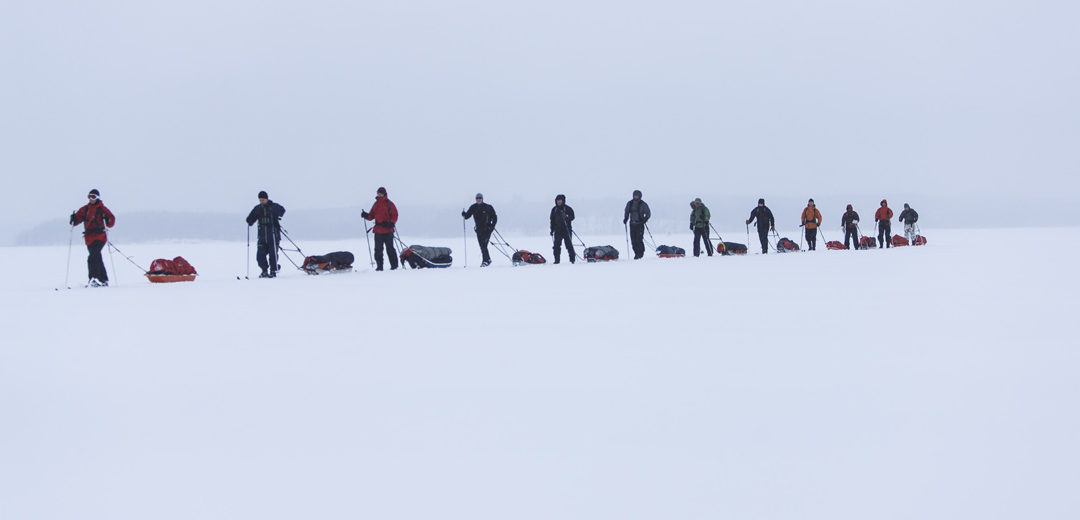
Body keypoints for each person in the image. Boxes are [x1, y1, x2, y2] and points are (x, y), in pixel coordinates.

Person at [69, 189, 116, 287]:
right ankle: (103, 279)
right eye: (89, 196)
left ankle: (94, 278)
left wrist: (107, 219)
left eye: (93, 197)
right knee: (96, 256)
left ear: (97, 198)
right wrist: (73, 219)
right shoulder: (85, 209)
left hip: (100, 237)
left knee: (93, 256)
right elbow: (76, 220)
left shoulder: (103, 209)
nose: (91, 199)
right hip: (89, 238)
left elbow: (111, 220)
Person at [245, 190, 286, 278]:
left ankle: (273, 270)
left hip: (273, 235)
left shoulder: (274, 206)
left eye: (263, 200)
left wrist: (277, 215)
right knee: (260, 255)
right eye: (260, 200)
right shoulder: (257, 208)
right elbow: (251, 218)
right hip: (262, 235)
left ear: (266, 199)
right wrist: (249, 220)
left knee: (273, 254)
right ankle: (264, 270)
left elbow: (282, 210)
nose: (261, 201)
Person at [362, 187, 399, 271]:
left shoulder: (390, 203)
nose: (379, 194)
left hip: (388, 231)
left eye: (380, 193)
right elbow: (371, 216)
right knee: (378, 250)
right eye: (378, 193)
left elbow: (395, 215)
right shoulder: (376, 204)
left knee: (390, 249)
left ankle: (394, 266)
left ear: (384, 193)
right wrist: (365, 215)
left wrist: (391, 223)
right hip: (378, 231)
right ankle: (379, 267)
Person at [462, 193, 498, 267]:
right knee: (482, 246)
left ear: (482, 199)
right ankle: (487, 260)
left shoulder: (488, 207)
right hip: (479, 230)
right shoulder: (473, 207)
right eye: (477, 198)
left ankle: (486, 261)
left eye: (480, 198)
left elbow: (494, 217)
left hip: (487, 230)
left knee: (484, 245)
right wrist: (464, 214)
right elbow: (467, 216)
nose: (478, 199)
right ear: (475, 199)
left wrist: (491, 227)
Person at [622, 189, 651, 259]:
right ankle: (636, 253)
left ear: (640, 196)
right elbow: (626, 212)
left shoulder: (643, 204)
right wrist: (625, 219)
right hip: (632, 224)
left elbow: (648, 213)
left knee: (639, 240)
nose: (636, 197)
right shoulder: (630, 203)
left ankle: (640, 253)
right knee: (633, 241)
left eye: (637, 196)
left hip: (640, 224)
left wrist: (644, 220)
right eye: (635, 195)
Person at [549, 194, 576, 264]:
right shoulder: (554, 210)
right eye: (557, 200)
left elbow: (572, 217)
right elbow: (552, 221)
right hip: (557, 231)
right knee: (556, 246)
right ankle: (557, 260)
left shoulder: (568, 208)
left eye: (560, 200)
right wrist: (552, 230)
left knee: (569, 245)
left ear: (563, 201)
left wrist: (567, 218)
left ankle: (572, 260)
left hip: (567, 230)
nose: (559, 202)